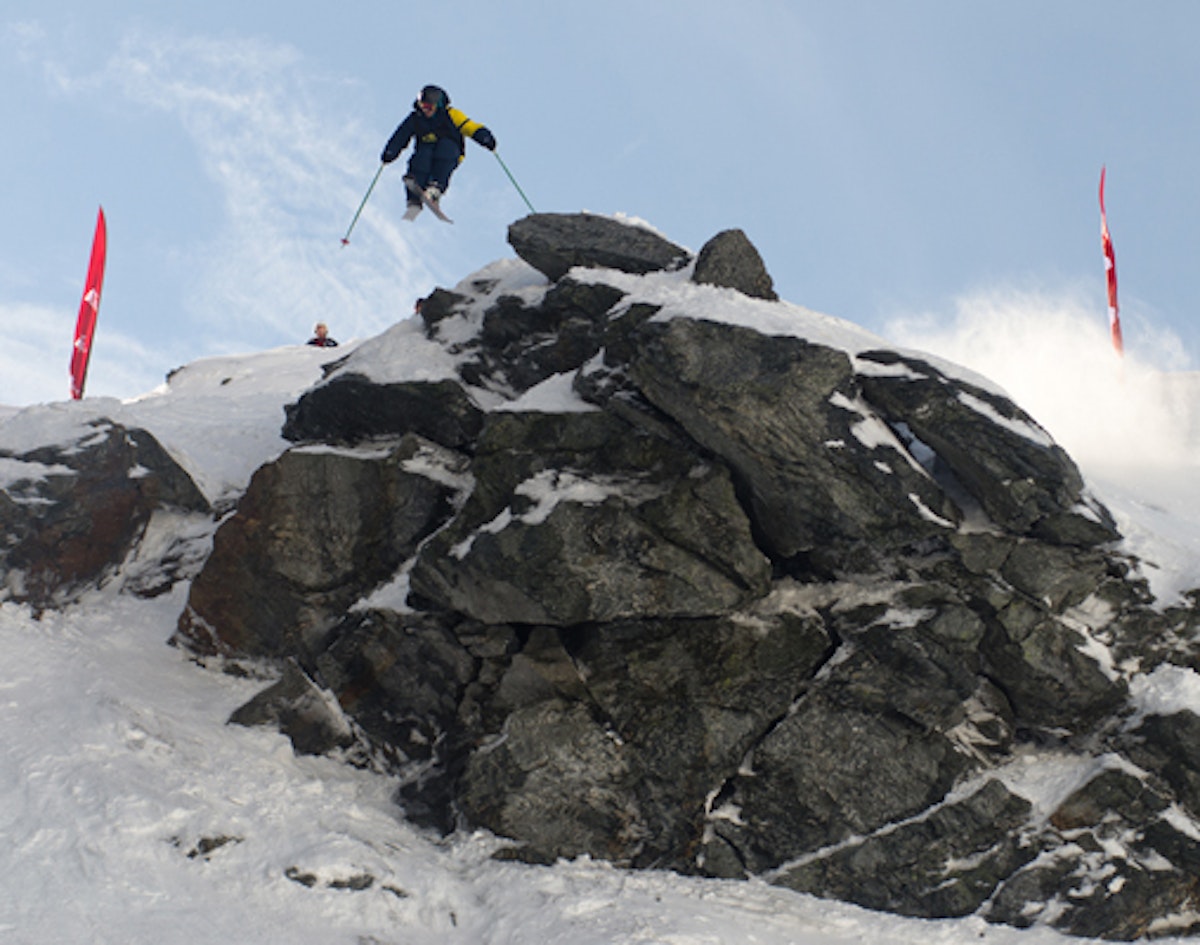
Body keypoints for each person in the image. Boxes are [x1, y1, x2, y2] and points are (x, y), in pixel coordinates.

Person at [381, 85, 496, 219]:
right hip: (427, 150)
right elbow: (400, 136)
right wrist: (390, 152)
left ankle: (436, 188)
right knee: (420, 158)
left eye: (429, 107)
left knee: (444, 149)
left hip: (451, 151)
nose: (425, 110)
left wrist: (484, 137)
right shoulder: (415, 118)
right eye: (422, 105)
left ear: (438, 105)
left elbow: (469, 126)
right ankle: (414, 199)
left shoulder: (451, 114)